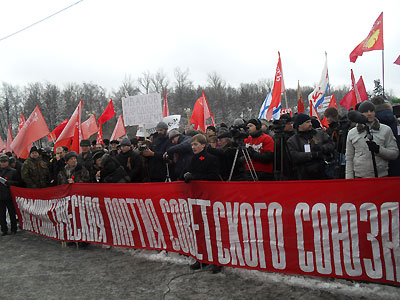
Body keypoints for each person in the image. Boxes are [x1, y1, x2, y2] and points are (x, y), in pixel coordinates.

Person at [184, 134, 222, 274]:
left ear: (203, 145)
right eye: (192, 145)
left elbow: (213, 176)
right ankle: (203, 258)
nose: (193, 147)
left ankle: (217, 260)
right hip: (198, 199)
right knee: (200, 229)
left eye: (195, 144)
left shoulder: (211, 158)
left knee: (213, 230)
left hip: (210, 199)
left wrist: (195, 177)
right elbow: (191, 171)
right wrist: (187, 176)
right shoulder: (193, 158)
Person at [345, 101, 399, 179]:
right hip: (360, 177)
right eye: (366, 111)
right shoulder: (352, 133)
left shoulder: (385, 130)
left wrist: (379, 150)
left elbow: (394, 154)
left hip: (381, 176)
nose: (369, 114)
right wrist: (349, 180)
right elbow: (349, 158)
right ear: (360, 114)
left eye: (372, 111)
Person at [287, 113, 334, 180]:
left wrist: (322, 149)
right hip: (303, 174)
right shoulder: (292, 141)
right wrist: (311, 155)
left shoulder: (320, 134)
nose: (310, 124)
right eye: (307, 122)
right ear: (300, 125)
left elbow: (331, 144)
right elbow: (293, 155)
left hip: (322, 172)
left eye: (310, 122)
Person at [0, 154, 19, 236]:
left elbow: (18, 183)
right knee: (1, 214)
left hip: (9, 195)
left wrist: (9, 183)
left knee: (12, 213)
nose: (3, 163)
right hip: (0, 196)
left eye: (5, 161)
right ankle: (4, 229)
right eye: (1, 162)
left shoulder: (13, 171)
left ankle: (14, 228)